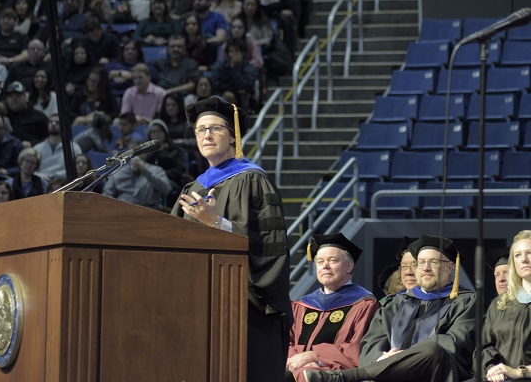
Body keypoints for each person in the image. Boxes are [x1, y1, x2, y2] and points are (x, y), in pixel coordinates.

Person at [170, 96, 291, 382]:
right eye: (200, 130)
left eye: (215, 128)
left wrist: (216, 223)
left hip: (244, 308)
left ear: (234, 135)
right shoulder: (193, 188)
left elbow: (270, 248)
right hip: (195, 304)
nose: (206, 135)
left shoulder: (254, 180)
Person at [304, 234, 476, 382]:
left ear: (450, 267)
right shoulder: (396, 303)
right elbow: (370, 344)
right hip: (388, 374)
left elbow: (455, 343)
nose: (425, 268)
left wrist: (402, 358)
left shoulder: (466, 301)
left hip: (434, 374)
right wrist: (383, 358)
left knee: (434, 348)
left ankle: (345, 377)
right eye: (420, 262)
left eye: (433, 262)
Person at [286, 233, 380, 382]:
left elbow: (357, 350)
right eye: (320, 261)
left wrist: (315, 357)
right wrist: (296, 359)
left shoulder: (364, 304)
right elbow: (286, 341)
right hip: (294, 370)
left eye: (333, 260)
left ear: (349, 266)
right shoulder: (302, 305)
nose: (325, 266)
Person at [476, 230, 531, 382]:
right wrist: (492, 366)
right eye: (518, 255)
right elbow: (484, 346)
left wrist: (520, 372)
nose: (524, 259)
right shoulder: (500, 304)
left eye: (530, 253)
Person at [102, 141, 171, 210]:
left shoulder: (156, 170)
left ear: (145, 154)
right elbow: (106, 195)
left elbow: (166, 189)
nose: (134, 156)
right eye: (131, 153)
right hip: (122, 211)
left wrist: (145, 170)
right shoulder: (117, 173)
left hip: (148, 212)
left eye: (138, 153)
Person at [210, 37, 259, 109]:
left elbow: (246, 85)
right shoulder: (220, 66)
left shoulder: (250, 68)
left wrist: (234, 68)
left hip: (243, 99)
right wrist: (227, 90)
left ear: (243, 52)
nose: (233, 54)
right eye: (231, 51)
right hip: (222, 94)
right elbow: (214, 82)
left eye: (236, 51)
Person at [33, 113, 82, 180]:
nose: (53, 124)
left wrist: (55, 176)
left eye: (57, 122)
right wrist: (41, 177)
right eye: (51, 122)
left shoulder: (74, 148)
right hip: (40, 182)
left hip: (63, 182)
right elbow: (32, 170)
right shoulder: (37, 148)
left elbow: (77, 170)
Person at [4, 81, 49, 147]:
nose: (14, 99)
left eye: (18, 96)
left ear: (25, 97)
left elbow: (49, 138)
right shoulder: (3, 117)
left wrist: (32, 144)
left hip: (34, 151)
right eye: (10, 96)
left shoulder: (39, 116)